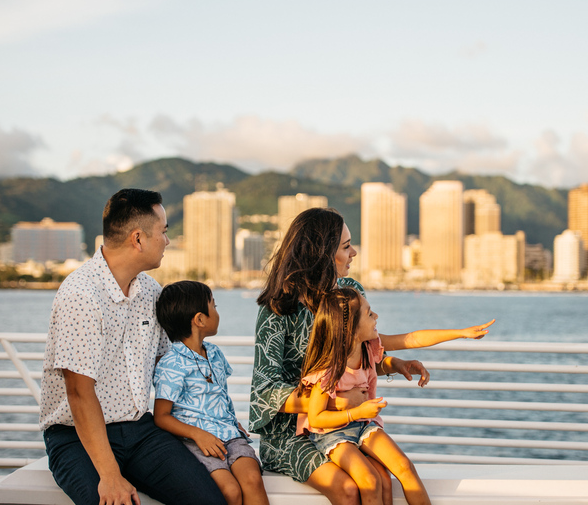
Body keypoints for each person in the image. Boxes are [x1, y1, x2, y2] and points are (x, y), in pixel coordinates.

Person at [249, 207, 494, 505]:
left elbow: (363, 354)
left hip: (348, 423)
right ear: (321, 254)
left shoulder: (349, 291)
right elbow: (265, 392)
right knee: (350, 488)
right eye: (346, 246)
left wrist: (394, 364)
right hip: (293, 433)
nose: (354, 252)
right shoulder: (278, 308)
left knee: (382, 477)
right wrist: (337, 403)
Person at [39, 189, 226, 505]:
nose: (167, 241)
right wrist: (110, 476)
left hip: (140, 432)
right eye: (164, 232)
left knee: (210, 500)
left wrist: (208, 422)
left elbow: (168, 365)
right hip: (76, 438)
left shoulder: (151, 292)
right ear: (138, 239)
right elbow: (79, 393)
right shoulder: (81, 296)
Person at [298, 287, 430, 505]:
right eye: (369, 314)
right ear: (351, 327)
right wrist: (356, 412)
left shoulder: (368, 350)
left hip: (364, 425)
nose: (376, 316)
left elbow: (409, 342)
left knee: (404, 467)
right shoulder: (328, 368)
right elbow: (316, 418)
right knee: (369, 479)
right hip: (332, 434)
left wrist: (400, 364)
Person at [153, 280, 269, 505]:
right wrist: (198, 434)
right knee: (230, 491)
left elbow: (221, 395)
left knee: (253, 479)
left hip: (230, 435)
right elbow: (161, 416)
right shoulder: (171, 364)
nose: (217, 312)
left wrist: (234, 422)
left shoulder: (215, 353)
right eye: (214, 306)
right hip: (197, 442)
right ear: (199, 319)